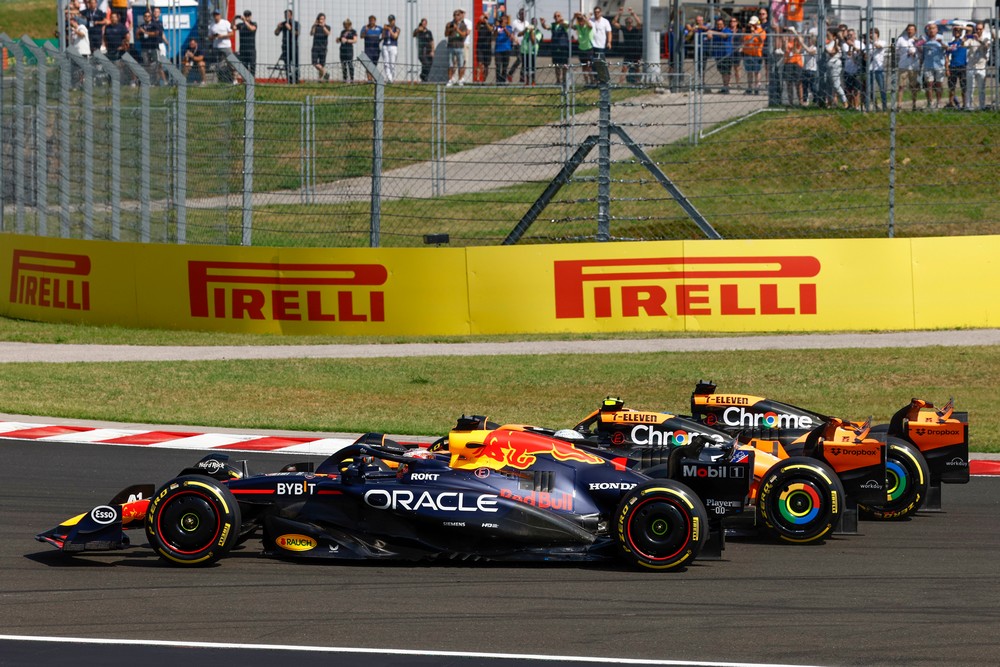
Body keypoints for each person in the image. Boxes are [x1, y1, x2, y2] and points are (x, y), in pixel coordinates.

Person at [964, 23, 991, 110]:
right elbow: (963, 45)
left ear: (982, 29)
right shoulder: (971, 39)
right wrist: (964, 38)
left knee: (981, 88)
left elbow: (986, 47)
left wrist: (978, 39)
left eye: (980, 29)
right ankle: (969, 107)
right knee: (970, 88)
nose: (978, 30)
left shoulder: (986, 38)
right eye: (977, 29)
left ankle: (982, 106)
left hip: (981, 66)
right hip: (971, 66)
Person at [612, 7, 642, 85]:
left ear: (632, 23)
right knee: (624, 68)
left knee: (637, 67)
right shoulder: (624, 28)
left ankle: (638, 82)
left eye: (630, 22)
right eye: (627, 22)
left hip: (636, 51)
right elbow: (614, 22)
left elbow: (639, 23)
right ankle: (620, 83)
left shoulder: (636, 29)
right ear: (625, 23)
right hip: (628, 52)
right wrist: (619, 13)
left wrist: (633, 14)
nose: (629, 24)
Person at [920, 23, 946, 110]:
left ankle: (939, 102)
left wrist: (941, 43)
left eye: (933, 28)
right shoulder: (925, 39)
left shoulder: (941, 38)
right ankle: (930, 102)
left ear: (937, 29)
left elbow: (947, 48)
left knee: (939, 84)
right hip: (928, 65)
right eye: (930, 28)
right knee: (929, 84)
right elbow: (918, 46)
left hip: (939, 65)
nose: (931, 30)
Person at [541, 12, 570, 86]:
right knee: (556, 65)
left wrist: (562, 22)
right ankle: (558, 80)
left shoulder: (564, 23)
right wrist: (543, 23)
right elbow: (546, 27)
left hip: (563, 47)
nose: (557, 17)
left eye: (558, 16)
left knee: (564, 65)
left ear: (561, 16)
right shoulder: (553, 25)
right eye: (555, 16)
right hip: (555, 47)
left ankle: (564, 80)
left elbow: (568, 25)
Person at [896, 24, 920, 110]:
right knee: (901, 86)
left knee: (913, 87)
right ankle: (899, 105)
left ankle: (914, 105)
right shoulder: (901, 39)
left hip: (913, 67)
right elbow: (896, 50)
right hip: (903, 66)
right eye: (909, 29)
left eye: (912, 30)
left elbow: (921, 51)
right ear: (906, 30)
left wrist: (916, 43)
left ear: (915, 31)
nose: (910, 31)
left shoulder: (918, 40)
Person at [706, 17, 733, 93]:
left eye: (720, 24)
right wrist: (709, 34)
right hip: (718, 54)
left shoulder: (727, 30)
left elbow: (725, 35)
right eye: (718, 24)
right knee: (722, 71)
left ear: (724, 24)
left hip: (726, 54)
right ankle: (725, 86)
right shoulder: (715, 30)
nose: (719, 26)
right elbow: (709, 35)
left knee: (726, 71)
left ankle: (726, 87)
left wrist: (713, 32)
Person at [946, 25, 968, 109]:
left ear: (961, 32)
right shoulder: (950, 44)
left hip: (962, 67)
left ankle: (965, 104)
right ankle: (951, 103)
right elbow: (947, 57)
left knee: (963, 87)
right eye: (955, 31)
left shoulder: (964, 41)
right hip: (953, 66)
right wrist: (947, 68)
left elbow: (971, 29)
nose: (957, 32)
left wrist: (960, 27)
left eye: (958, 31)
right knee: (951, 87)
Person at [742, 15, 765, 95]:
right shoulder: (747, 31)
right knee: (749, 72)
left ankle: (757, 87)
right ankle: (749, 87)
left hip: (756, 54)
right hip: (748, 54)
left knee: (756, 71)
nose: (752, 26)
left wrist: (755, 33)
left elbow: (761, 40)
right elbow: (744, 40)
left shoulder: (761, 31)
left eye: (753, 24)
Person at [275, 9, 300, 84]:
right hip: (285, 46)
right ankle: (289, 79)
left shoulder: (295, 23)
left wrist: (290, 28)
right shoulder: (283, 24)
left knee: (295, 63)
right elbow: (276, 33)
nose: (286, 16)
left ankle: (296, 79)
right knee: (287, 64)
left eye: (288, 15)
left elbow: (297, 33)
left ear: (291, 15)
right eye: (285, 15)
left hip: (293, 46)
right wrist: (278, 27)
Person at [209, 9, 234, 83]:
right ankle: (221, 80)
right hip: (216, 47)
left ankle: (234, 79)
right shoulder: (212, 25)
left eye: (217, 15)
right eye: (214, 15)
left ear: (220, 15)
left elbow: (231, 33)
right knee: (218, 64)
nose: (216, 17)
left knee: (232, 63)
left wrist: (222, 36)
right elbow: (209, 37)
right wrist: (214, 36)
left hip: (226, 46)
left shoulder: (225, 23)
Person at [445, 9, 468, 86]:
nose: (456, 16)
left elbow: (464, 34)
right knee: (450, 64)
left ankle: (460, 79)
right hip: (451, 46)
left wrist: (457, 29)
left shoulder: (463, 25)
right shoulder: (449, 24)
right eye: (455, 15)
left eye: (458, 15)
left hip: (459, 47)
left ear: (460, 16)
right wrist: (449, 28)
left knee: (460, 64)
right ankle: (450, 79)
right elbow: (446, 34)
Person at [780, 28, 804, 105]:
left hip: (797, 63)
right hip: (788, 63)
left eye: (791, 33)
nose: (790, 34)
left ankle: (801, 101)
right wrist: (785, 41)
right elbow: (784, 49)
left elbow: (798, 47)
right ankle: (791, 102)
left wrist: (795, 32)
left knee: (798, 83)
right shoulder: (787, 41)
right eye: (789, 32)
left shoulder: (797, 40)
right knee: (789, 83)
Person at [824, 27, 846, 107]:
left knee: (836, 85)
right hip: (829, 65)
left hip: (835, 65)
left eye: (828, 35)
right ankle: (829, 102)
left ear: (834, 36)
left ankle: (845, 102)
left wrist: (836, 44)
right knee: (829, 85)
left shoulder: (837, 43)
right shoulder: (829, 43)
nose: (827, 36)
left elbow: (832, 52)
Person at [136, 11, 161, 80]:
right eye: (145, 16)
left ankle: (157, 81)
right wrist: (137, 33)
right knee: (146, 65)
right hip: (144, 48)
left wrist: (144, 32)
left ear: (151, 17)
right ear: (143, 17)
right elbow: (137, 38)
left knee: (156, 64)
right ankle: (148, 80)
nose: (147, 18)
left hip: (154, 47)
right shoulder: (141, 26)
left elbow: (156, 33)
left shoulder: (154, 25)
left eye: (148, 16)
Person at [867, 28, 887, 111]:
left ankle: (884, 106)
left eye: (873, 33)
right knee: (870, 89)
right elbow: (867, 56)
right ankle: (875, 105)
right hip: (870, 68)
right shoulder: (868, 45)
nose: (871, 35)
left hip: (879, 68)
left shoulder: (882, 42)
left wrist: (872, 42)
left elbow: (879, 47)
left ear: (877, 34)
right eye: (870, 33)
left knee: (882, 88)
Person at [842, 28, 862, 110]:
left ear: (855, 35)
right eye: (848, 35)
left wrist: (853, 46)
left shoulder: (859, 43)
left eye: (851, 35)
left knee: (857, 90)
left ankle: (856, 106)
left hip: (857, 69)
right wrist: (852, 47)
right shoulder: (844, 44)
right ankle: (850, 105)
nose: (850, 36)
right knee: (849, 89)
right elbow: (849, 54)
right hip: (848, 69)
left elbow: (861, 52)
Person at [234, 10, 257, 77]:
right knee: (244, 66)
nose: (247, 17)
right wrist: (234, 18)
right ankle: (246, 80)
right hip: (243, 49)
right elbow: (232, 27)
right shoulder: (240, 25)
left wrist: (245, 21)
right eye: (245, 16)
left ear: (250, 16)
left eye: (248, 16)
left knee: (252, 65)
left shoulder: (254, 23)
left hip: (251, 49)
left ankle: (252, 80)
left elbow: (252, 28)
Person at [519, 17, 542, 85]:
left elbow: (533, 41)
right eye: (532, 22)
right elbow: (519, 34)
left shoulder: (538, 32)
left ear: (536, 24)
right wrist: (525, 30)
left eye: (534, 22)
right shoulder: (527, 30)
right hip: (524, 51)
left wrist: (532, 31)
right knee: (525, 66)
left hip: (532, 52)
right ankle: (527, 81)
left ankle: (533, 81)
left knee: (532, 67)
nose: (533, 23)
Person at [493, 14, 515, 85]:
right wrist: (496, 27)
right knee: (498, 66)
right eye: (501, 20)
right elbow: (494, 36)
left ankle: (503, 80)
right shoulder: (497, 27)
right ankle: (498, 81)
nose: (502, 21)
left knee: (505, 66)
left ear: (506, 20)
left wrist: (504, 28)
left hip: (506, 49)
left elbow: (509, 35)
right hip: (498, 49)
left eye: (503, 19)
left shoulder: (509, 27)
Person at [574, 12, 594, 83]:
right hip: (581, 49)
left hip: (588, 49)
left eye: (581, 20)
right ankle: (587, 82)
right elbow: (570, 26)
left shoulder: (587, 26)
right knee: (584, 67)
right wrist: (574, 17)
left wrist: (584, 18)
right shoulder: (578, 26)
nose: (580, 22)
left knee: (589, 66)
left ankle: (592, 81)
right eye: (579, 20)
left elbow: (590, 26)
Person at [309, 13, 330, 81]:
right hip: (315, 48)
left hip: (323, 48)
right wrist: (315, 25)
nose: (321, 20)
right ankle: (325, 72)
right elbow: (311, 33)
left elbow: (328, 33)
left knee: (321, 64)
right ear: (318, 19)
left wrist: (323, 26)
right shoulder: (315, 26)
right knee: (314, 63)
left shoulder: (327, 26)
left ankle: (320, 79)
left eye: (323, 19)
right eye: (320, 19)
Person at [414, 18, 434, 83]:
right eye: (423, 23)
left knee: (429, 64)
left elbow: (432, 41)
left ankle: (424, 77)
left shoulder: (429, 32)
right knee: (425, 63)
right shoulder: (419, 31)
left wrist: (432, 51)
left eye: (425, 23)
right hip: (422, 51)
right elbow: (414, 34)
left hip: (428, 50)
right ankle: (423, 76)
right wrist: (418, 29)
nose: (424, 24)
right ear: (421, 23)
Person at [381, 14, 400, 83]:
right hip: (385, 45)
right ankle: (389, 78)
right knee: (386, 63)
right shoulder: (386, 28)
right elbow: (382, 36)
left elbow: (395, 36)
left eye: (392, 20)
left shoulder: (397, 29)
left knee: (392, 63)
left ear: (394, 21)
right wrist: (384, 29)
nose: (390, 22)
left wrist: (389, 29)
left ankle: (392, 78)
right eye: (389, 20)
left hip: (393, 46)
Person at [474, 13, 492, 83]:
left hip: (487, 47)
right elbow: (477, 28)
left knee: (486, 65)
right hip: (480, 47)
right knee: (480, 63)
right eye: (484, 16)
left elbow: (491, 29)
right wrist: (480, 20)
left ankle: (484, 80)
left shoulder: (490, 24)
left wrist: (486, 23)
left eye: (486, 17)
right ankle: (478, 80)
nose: (485, 18)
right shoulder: (480, 24)